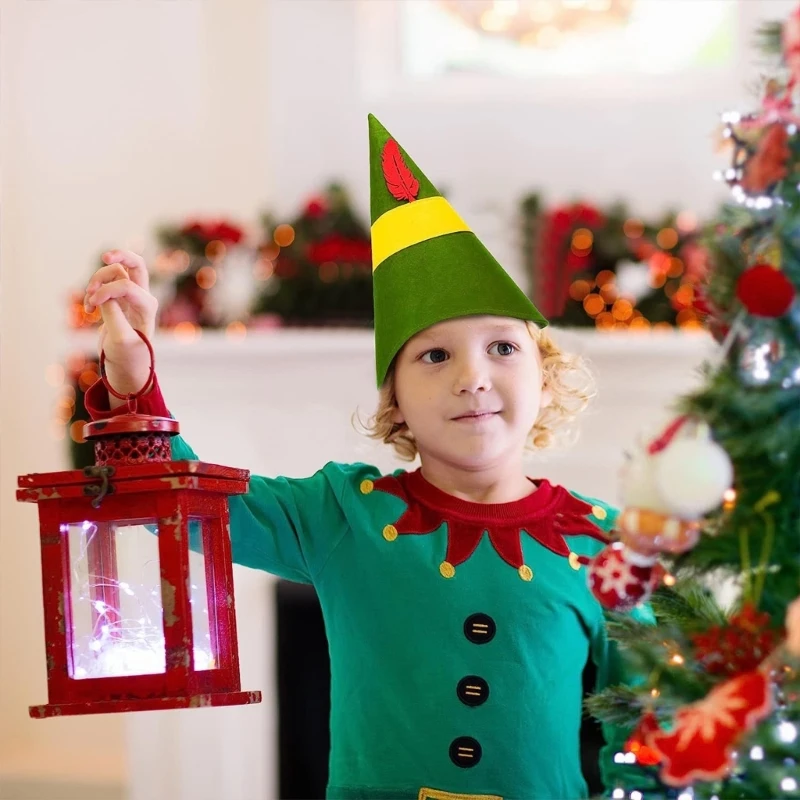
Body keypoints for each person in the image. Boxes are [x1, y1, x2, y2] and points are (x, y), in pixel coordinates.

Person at [82, 114, 647, 800]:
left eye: (503, 347)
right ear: (396, 402)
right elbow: (175, 497)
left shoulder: (608, 542)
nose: (473, 377)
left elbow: (648, 732)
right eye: (435, 356)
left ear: (546, 379)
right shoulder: (342, 514)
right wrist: (130, 373)